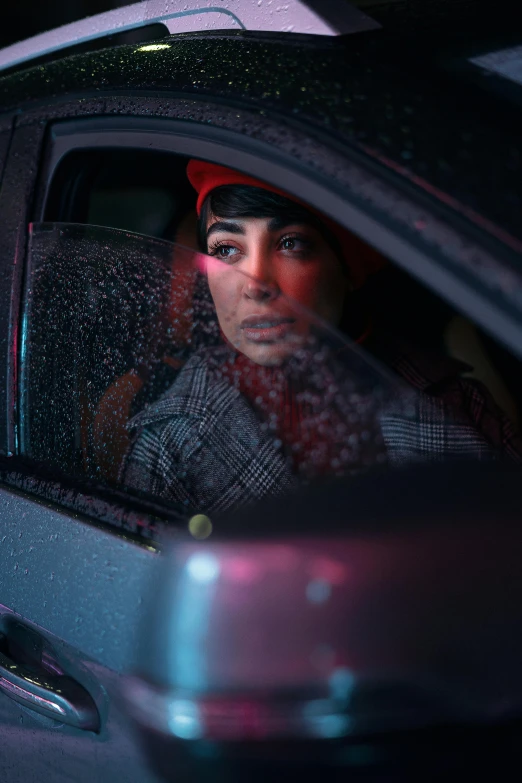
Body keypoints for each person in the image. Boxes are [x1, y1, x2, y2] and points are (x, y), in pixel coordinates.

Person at [120, 161, 522, 514]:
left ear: (347, 269)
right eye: (226, 250)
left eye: (291, 244)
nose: (255, 284)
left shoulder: (459, 408)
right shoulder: (168, 447)